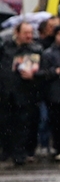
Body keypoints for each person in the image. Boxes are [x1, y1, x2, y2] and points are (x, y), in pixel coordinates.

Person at [1, 23, 45, 164]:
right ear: (17, 32)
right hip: (6, 92)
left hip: (26, 93)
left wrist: (34, 75)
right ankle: (6, 150)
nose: (29, 36)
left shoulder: (36, 49)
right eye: (26, 32)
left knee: (23, 124)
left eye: (31, 33)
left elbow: (45, 71)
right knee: (6, 123)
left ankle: (20, 153)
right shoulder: (6, 47)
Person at [41, 25, 60, 161]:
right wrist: (54, 72)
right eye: (59, 34)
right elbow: (41, 73)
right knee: (57, 122)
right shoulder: (48, 53)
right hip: (55, 92)